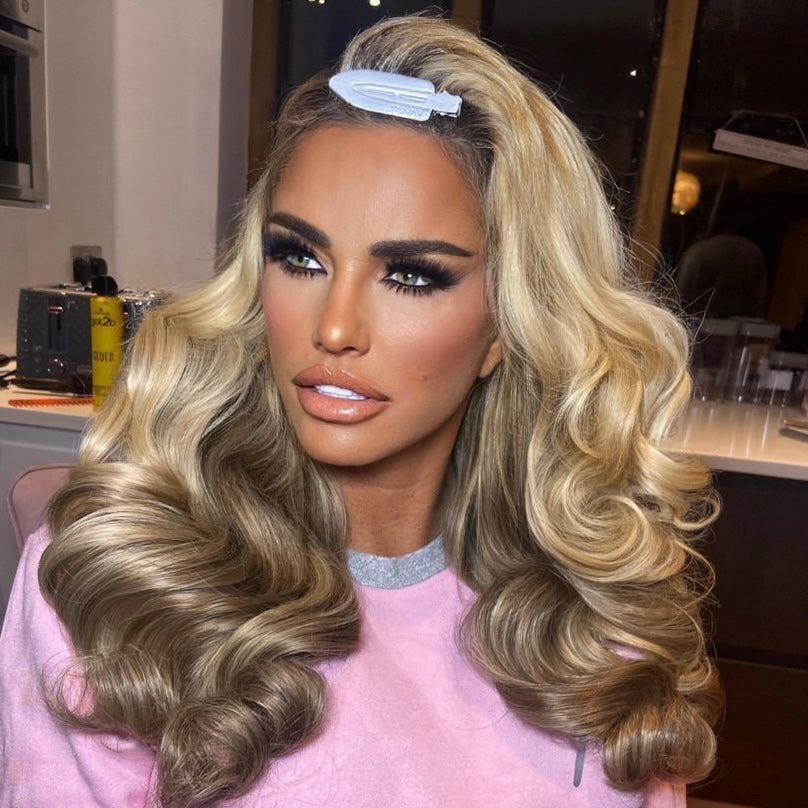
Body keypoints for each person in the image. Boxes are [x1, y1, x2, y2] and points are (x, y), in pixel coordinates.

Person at [0, 15, 722, 808]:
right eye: (298, 257)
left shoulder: (595, 616)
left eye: (411, 275)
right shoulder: (117, 589)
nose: (335, 328)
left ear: (508, 326)